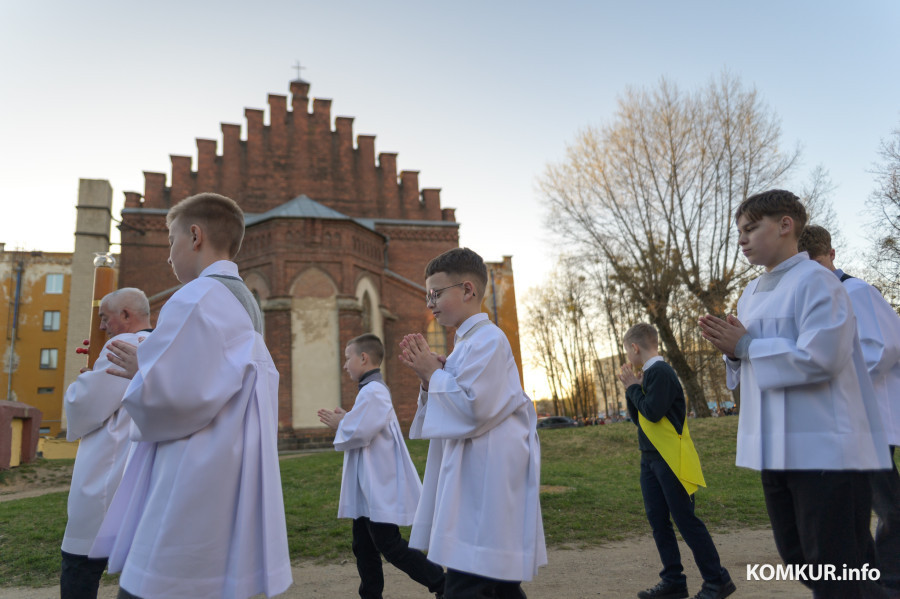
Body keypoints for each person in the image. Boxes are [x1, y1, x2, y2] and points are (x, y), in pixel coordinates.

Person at [89, 192, 292, 599]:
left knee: (159, 581)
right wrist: (151, 367)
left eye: (171, 240)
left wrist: (141, 374)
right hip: (226, 463)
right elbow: (208, 377)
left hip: (190, 468)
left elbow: (176, 398)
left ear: (195, 236)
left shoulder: (196, 296)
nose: (168, 255)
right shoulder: (244, 301)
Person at [699, 189, 891, 599]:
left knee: (837, 565)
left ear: (786, 225)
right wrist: (732, 354)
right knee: (801, 557)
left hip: (825, 449)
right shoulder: (750, 293)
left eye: (751, 228)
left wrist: (747, 348)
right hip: (776, 450)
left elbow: (821, 356)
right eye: (739, 232)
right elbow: (747, 363)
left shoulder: (818, 282)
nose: (742, 240)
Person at [398, 247, 546, 599]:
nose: (429, 302)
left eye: (436, 293)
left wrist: (435, 375)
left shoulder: (488, 340)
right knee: (496, 583)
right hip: (474, 477)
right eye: (427, 295)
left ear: (467, 290)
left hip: (486, 481)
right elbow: (455, 405)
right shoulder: (466, 345)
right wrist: (428, 379)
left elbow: (474, 409)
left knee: (469, 582)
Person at [799, 224, 900, 590]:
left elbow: (883, 348)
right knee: (861, 507)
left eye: (816, 265)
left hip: (872, 420)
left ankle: (889, 582)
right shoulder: (822, 300)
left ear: (831, 256)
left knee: (888, 506)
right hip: (850, 421)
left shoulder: (856, 292)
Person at [318, 333, 445, 599]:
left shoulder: (374, 391)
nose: (345, 365)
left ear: (363, 358)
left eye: (347, 358)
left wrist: (341, 423)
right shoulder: (369, 391)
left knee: (390, 545)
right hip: (368, 487)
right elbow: (364, 423)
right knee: (363, 546)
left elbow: (362, 431)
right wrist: (348, 417)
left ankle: (443, 585)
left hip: (378, 485)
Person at [618, 323, 735, 599]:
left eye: (627, 350)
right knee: (658, 520)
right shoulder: (647, 374)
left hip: (671, 459)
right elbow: (640, 419)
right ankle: (673, 581)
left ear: (635, 348)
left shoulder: (661, 372)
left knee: (685, 520)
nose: (628, 355)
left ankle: (717, 580)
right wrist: (631, 389)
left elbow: (653, 412)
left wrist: (634, 388)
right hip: (650, 459)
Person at [60, 288, 152, 599]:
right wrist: (95, 374)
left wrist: (81, 383)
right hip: (140, 466)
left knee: (79, 562)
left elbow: (84, 405)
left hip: (108, 466)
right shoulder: (158, 345)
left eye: (104, 318)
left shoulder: (123, 345)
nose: (101, 327)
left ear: (126, 316)